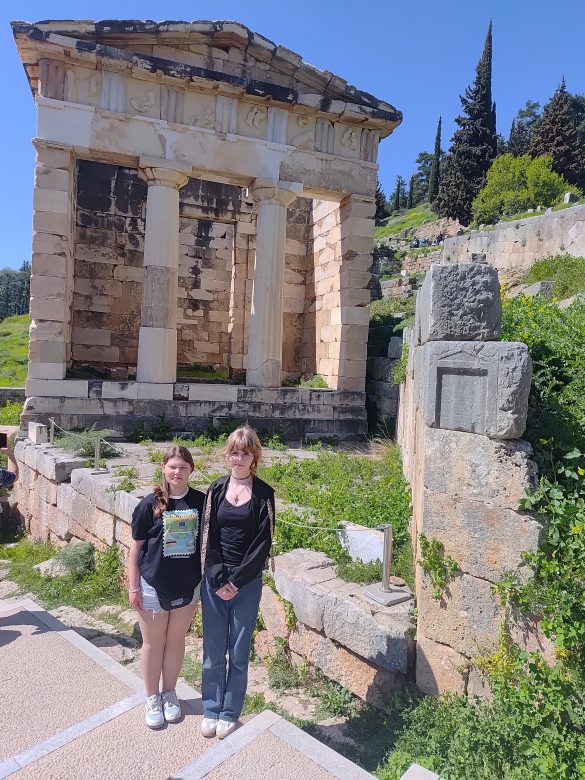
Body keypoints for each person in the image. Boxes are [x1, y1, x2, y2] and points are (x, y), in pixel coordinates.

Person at [199, 424, 275, 739]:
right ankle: (211, 708)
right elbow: (208, 535)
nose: (239, 458)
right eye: (234, 452)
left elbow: (263, 543)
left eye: (245, 453)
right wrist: (218, 578)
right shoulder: (216, 490)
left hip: (247, 582)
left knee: (239, 650)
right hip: (215, 580)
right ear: (227, 455)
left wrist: (238, 580)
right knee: (214, 648)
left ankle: (230, 712)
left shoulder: (264, 494)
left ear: (254, 456)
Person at [128, 445, 204, 729]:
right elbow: (135, 549)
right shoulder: (149, 504)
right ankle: (151, 698)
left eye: (183, 467)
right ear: (163, 468)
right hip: (153, 585)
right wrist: (133, 587)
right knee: (153, 643)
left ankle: (169, 693)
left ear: (191, 470)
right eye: (172, 466)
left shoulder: (202, 502)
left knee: (175, 640)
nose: (177, 472)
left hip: (187, 585)